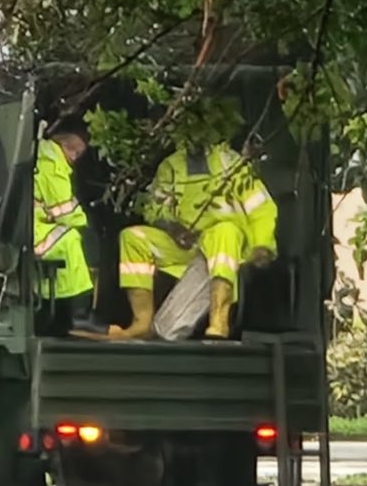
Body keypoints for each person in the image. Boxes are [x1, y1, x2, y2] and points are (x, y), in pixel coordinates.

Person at [110, 139, 277, 340]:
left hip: (228, 245)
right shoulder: (171, 165)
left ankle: (218, 322)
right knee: (132, 237)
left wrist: (262, 244)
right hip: (188, 246)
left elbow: (262, 209)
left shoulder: (231, 163)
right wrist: (172, 228)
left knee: (224, 231)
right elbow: (154, 208)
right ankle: (141, 323)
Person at [34, 130, 106, 337]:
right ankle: (79, 313)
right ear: (64, 147)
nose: (75, 158)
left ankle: (64, 315)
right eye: (75, 152)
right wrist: (84, 224)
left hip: (32, 228)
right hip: (36, 233)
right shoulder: (52, 163)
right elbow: (64, 210)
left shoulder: (41, 157)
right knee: (77, 240)